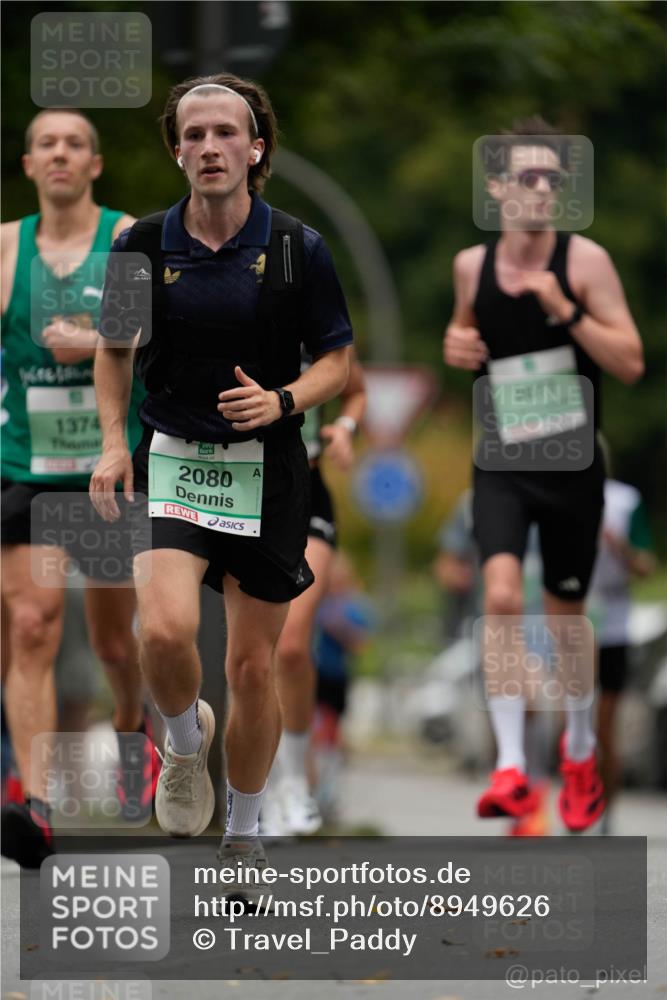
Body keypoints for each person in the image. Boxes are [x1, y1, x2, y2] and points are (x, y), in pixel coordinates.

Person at [90, 73, 353, 891]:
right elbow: (113, 350)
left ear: (256, 147)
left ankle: (244, 834)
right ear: (177, 150)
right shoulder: (141, 243)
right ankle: (179, 740)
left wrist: (282, 400)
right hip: (172, 454)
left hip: (268, 470)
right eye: (194, 134)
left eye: (226, 133)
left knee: (249, 668)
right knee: (162, 634)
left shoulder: (295, 248)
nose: (210, 147)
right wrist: (110, 443)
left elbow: (338, 362)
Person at [443, 117, 644, 832]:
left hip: (570, 465)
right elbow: (463, 334)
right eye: (525, 177)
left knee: (565, 621)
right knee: (498, 596)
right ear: (497, 188)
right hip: (500, 459)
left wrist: (569, 314)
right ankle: (509, 767)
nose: (539, 189)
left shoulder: (583, 262)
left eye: (551, 179)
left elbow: (628, 361)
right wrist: (457, 343)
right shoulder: (472, 266)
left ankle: (580, 749)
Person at [0, 109, 153, 868]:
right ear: (29, 164)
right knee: (30, 624)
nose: (60, 153)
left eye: (74, 144)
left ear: (95, 164)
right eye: (46, 144)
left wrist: (90, 339)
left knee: (116, 643)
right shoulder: (2, 248)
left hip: (104, 466)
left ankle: (133, 730)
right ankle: (38, 803)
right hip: (25, 466)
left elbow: (155, 342)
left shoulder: (126, 241)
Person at [262, 356, 365, 836]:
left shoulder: (316, 314)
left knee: (292, 643)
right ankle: (261, 785)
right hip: (240, 490)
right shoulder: (221, 298)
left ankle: (297, 781)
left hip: (307, 494)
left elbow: (355, 388)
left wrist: (344, 426)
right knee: (250, 655)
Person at [587, 471, 656, 829]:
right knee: (573, 727)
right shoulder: (552, 493)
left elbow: (647, 566)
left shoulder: (624, 500)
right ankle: (574, 805)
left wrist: (619, 548)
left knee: (604, 728)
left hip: (612, 625)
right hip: (569, 625)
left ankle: (605, 812)